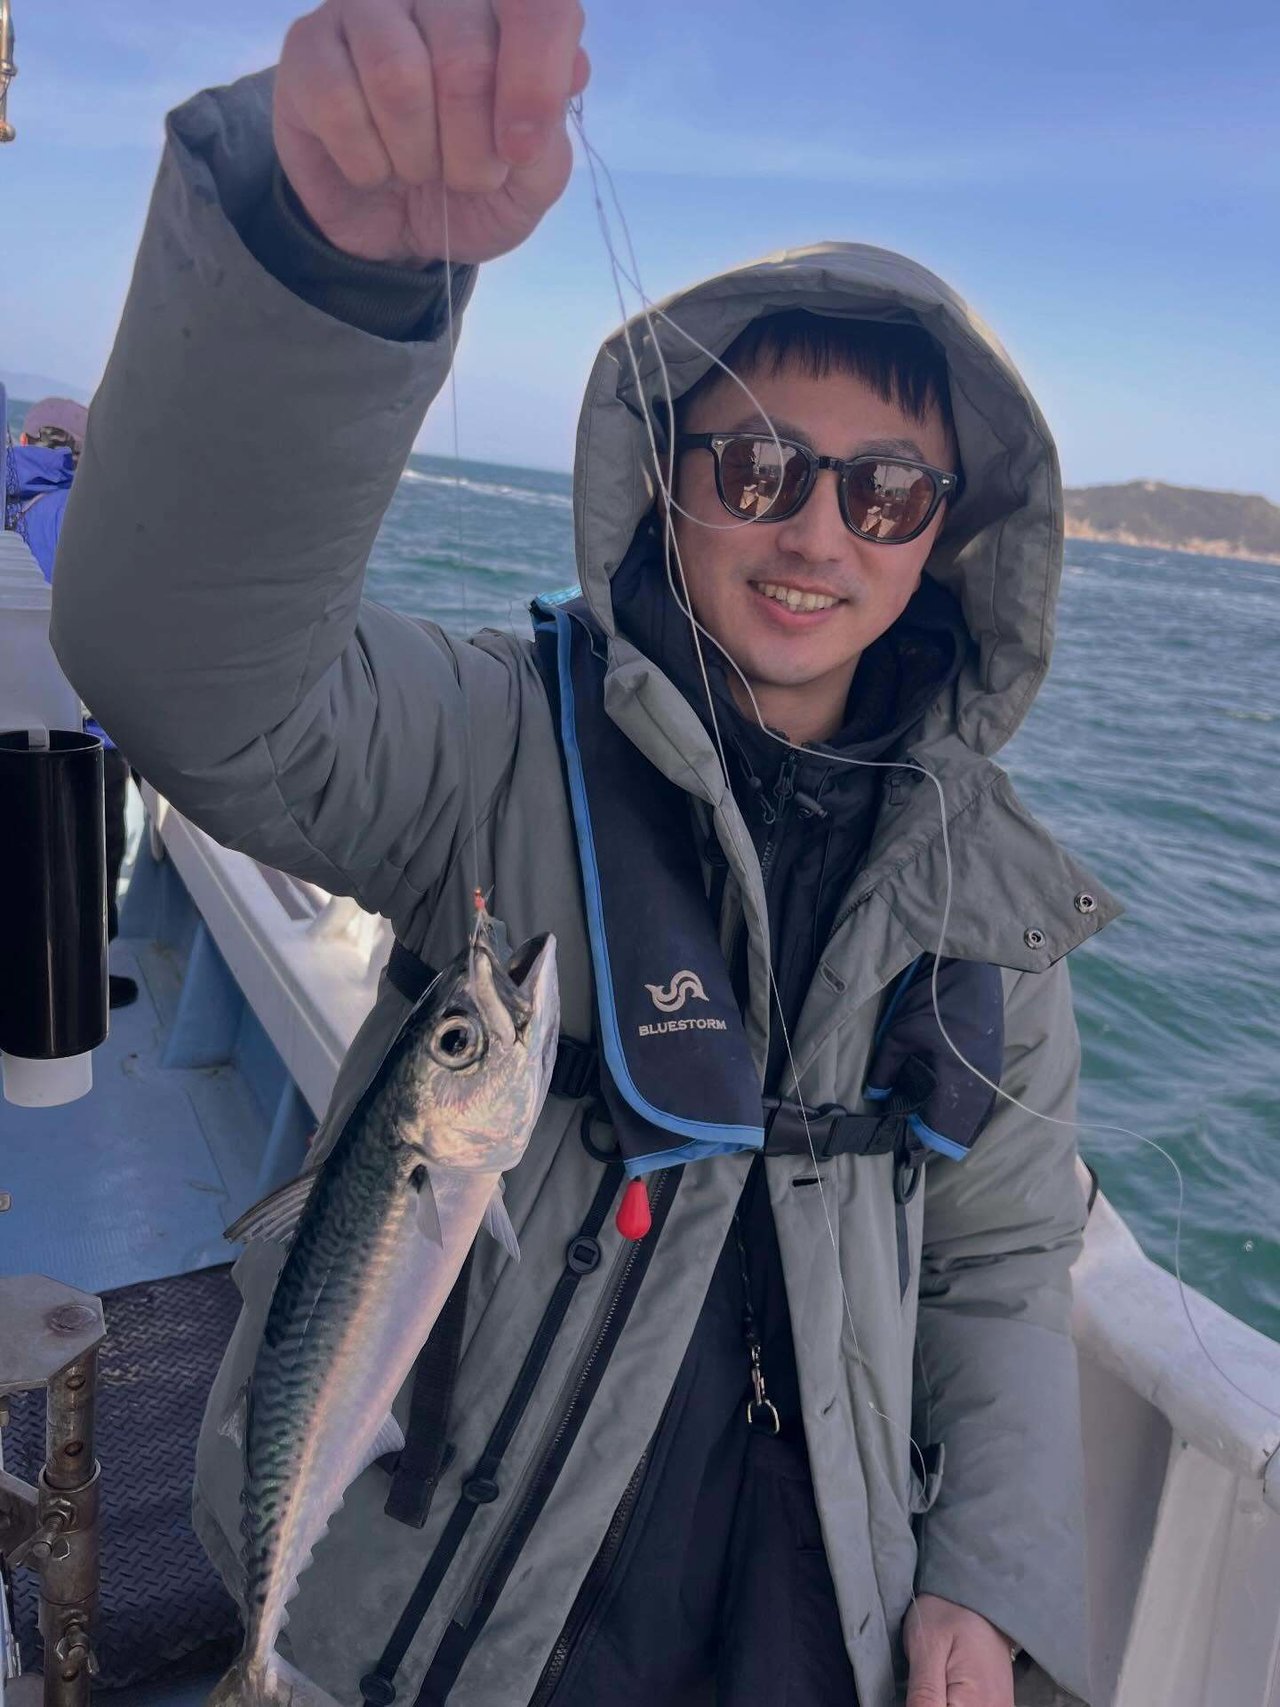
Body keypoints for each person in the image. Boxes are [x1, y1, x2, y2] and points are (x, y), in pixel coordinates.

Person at [50, 4, 1118, 1703]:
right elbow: (194, 682)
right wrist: (319, 279)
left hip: (808, 1627)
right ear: (666, 475)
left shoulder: (984, 898)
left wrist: (982, 1579)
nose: (815, 529)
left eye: (886, 493)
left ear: (944, 542)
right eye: (756, 463)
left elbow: (996, 1265)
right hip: (460, 1626)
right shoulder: (497, 741)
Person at [5, 397, 138, 1008]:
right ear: (82, 455)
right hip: (80, 735)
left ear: (24, 440)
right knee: (85, 862)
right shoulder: (87, 517)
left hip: (11, 723)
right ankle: (82, 985)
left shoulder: (8, 506)